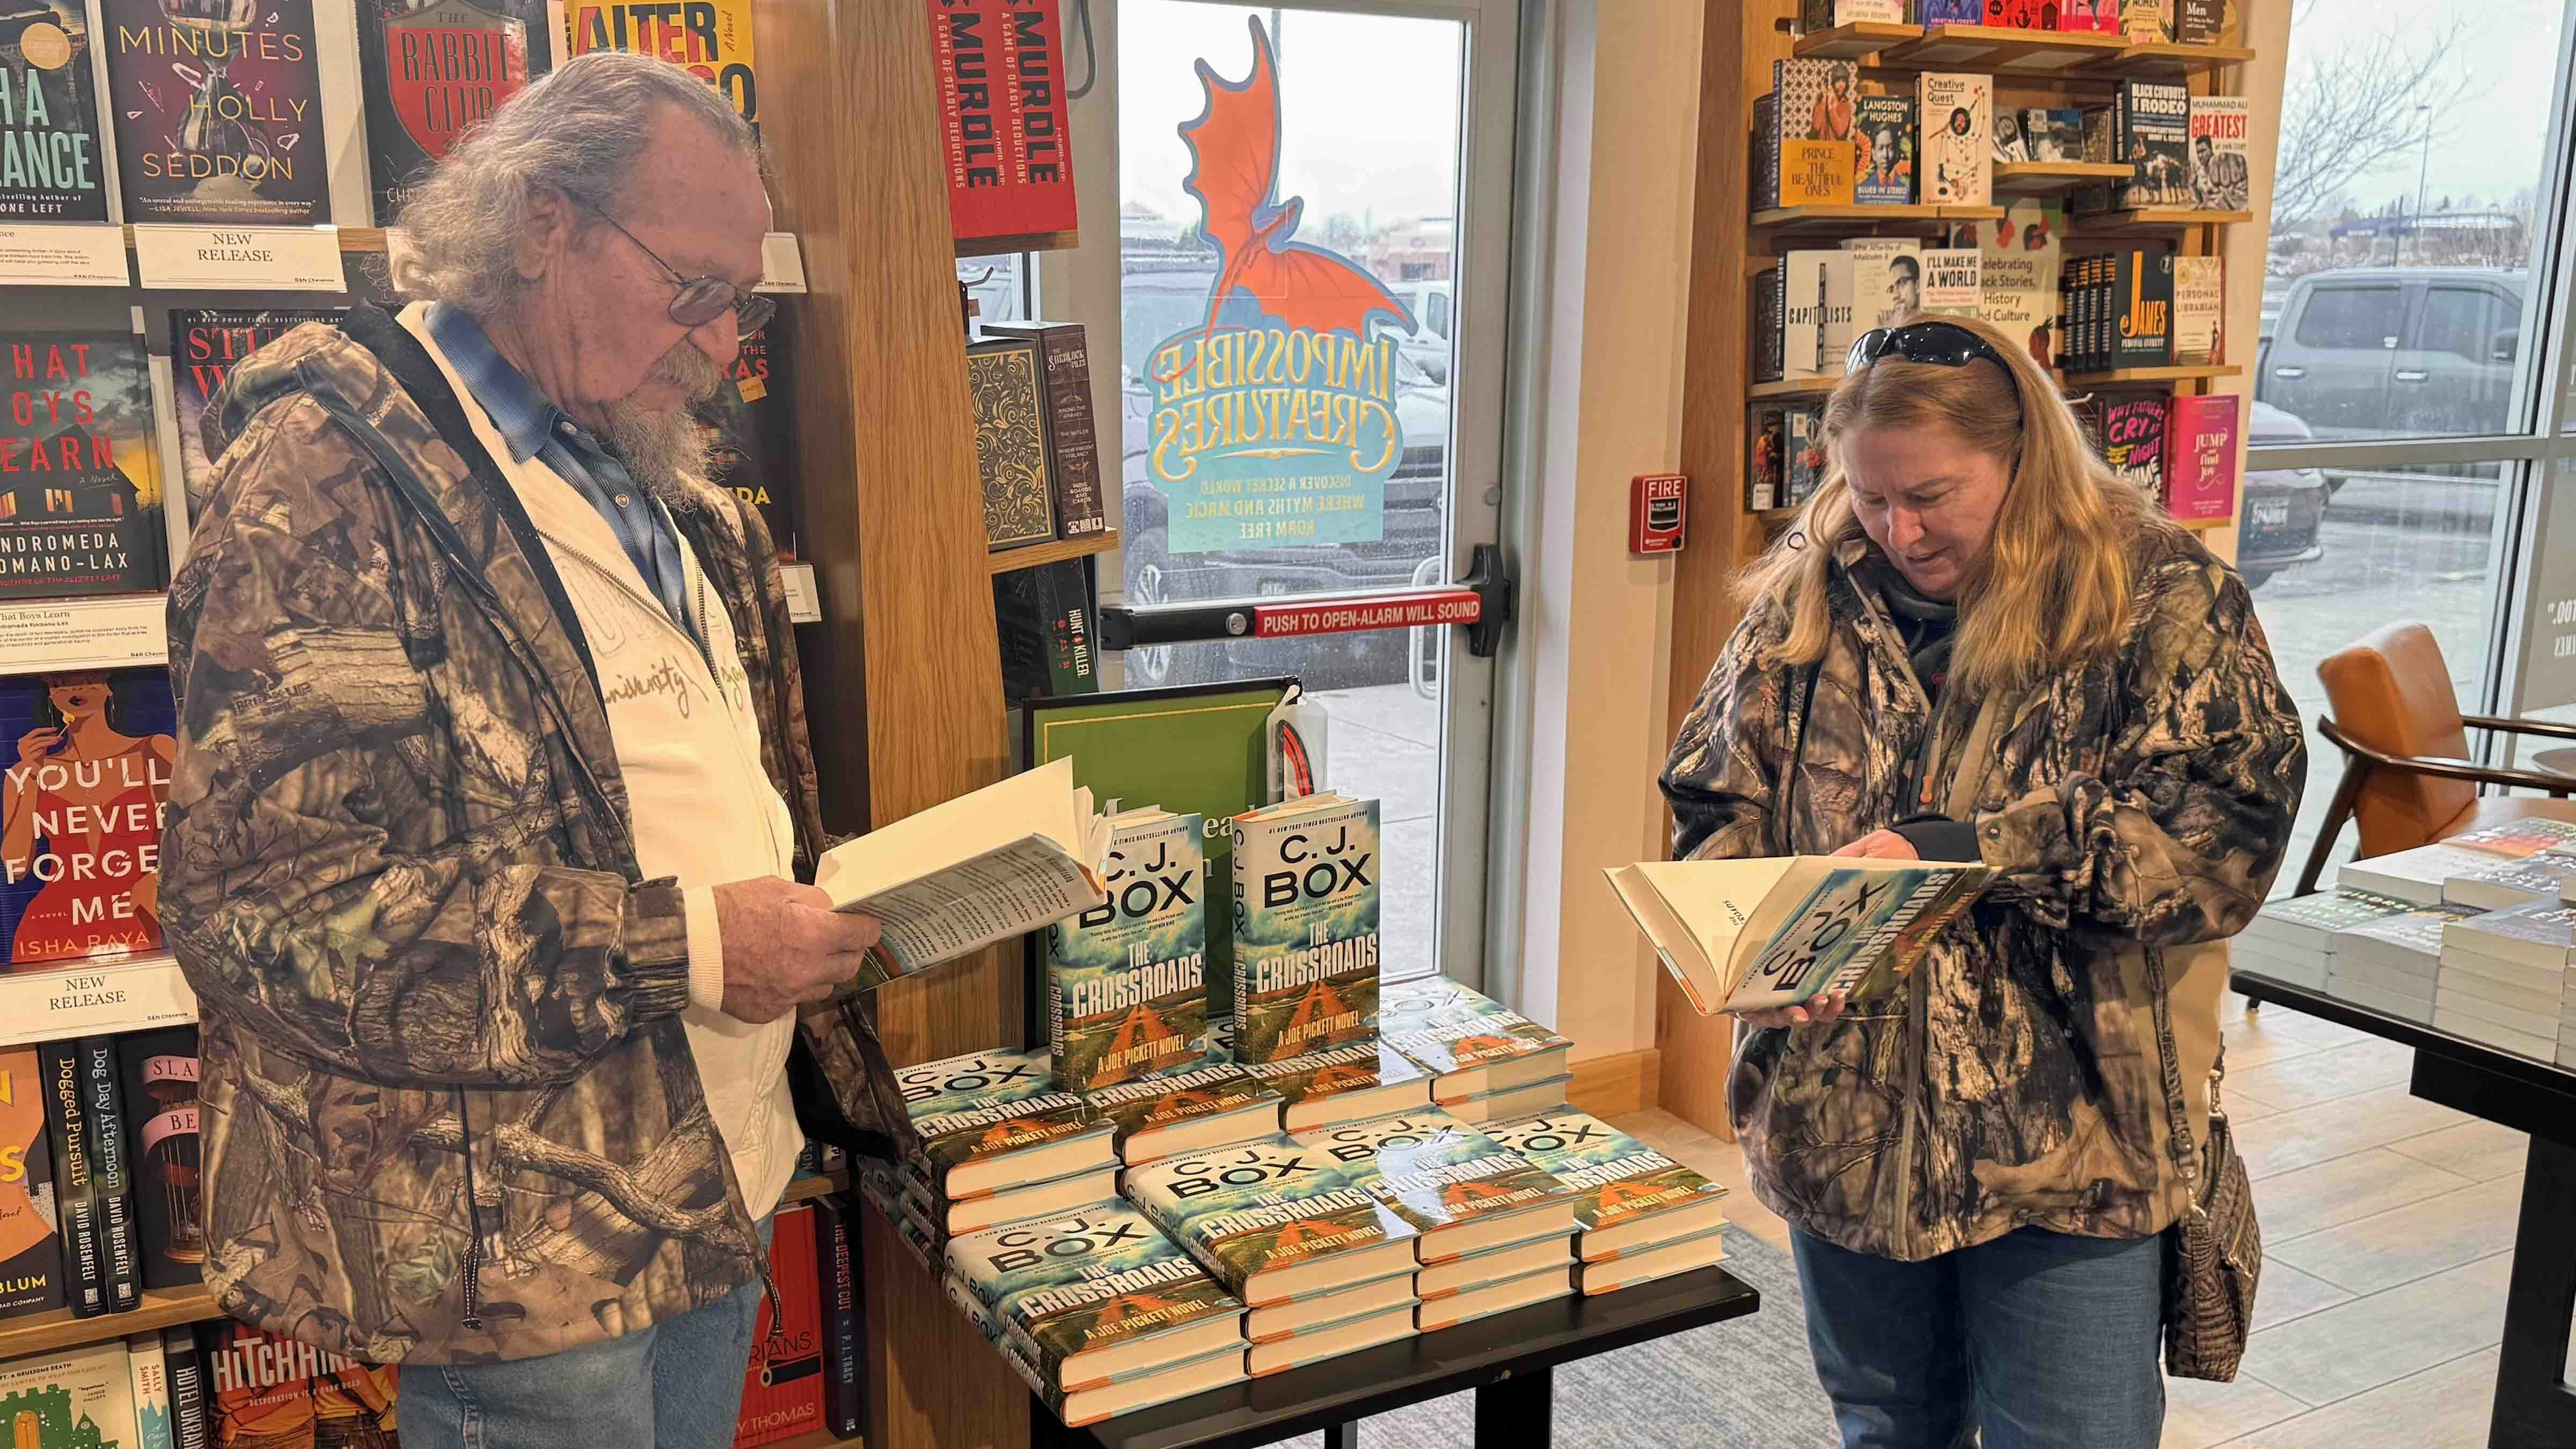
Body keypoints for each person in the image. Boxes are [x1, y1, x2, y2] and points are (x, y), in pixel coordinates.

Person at [162, 52, 916, 1448]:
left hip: (718, 1174)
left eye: (736, 298)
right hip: (518, 1247)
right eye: (691, 286)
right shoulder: (325, 485)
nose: (721, 342)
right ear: (539, 224)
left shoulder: (662, 477)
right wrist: (682, 948)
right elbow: (262, 907)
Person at [1660, 316, 2304, 1448]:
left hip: (2072, 1150)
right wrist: (1753, 939)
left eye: (1934, 496)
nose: (1900, 529)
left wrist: (1974, 850)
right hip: (1842, 1123)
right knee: (1886, 1427)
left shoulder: (2159, 600)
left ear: (2024, 458)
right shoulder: (1810, 595)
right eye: (1871, 495)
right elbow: (1715, 800)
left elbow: (2224, 842)